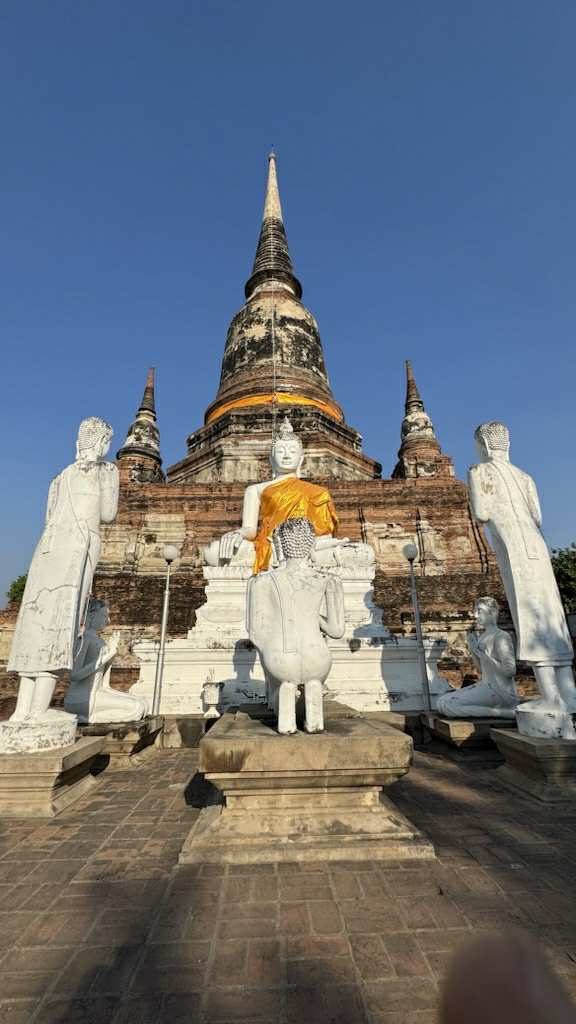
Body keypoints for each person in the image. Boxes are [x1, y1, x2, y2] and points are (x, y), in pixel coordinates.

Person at [7, 417, 119, 722]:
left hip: (48, 550)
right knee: (62, 621)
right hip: (79, 545)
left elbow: (48, 518)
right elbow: (108, 513)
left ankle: (22, 711)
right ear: (102, 444)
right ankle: (39, 711)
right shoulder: (106, 472)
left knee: (36, 620)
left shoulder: (60, 477)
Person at [468, 421, 575, 721]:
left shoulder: (480, 472)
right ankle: (570, 693)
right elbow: (537, 516)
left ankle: (551, 697)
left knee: (529, 614)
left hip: (512, 547)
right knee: (551, 613)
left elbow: (482, 513)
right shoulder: (525, 476)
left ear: (484, 447)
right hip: (536, 545)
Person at [246, 517, 345, 734]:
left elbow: (256, 632)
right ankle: (314, 719)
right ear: (312, 545)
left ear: (279, 545)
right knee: (313, 681)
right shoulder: (328, 579)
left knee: (284, 681)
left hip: (280, 658)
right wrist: (313, 616)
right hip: (318, 658)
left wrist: (272, 650)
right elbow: (337, 631)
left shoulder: (260, 581)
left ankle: (286, 714)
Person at [436, 597, 518, 718]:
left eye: (479, 611)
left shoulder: (501, 636)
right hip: (486, 685)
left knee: (449, 706)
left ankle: (505, 713)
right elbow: (480, 670)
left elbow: (510, 671)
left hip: (500, 691)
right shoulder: (482, 637)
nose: (475, 615)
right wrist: (472, 648)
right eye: (475, 611)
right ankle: (501, 712)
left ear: (492, 612)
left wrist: (483, 655)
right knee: (441, 702)